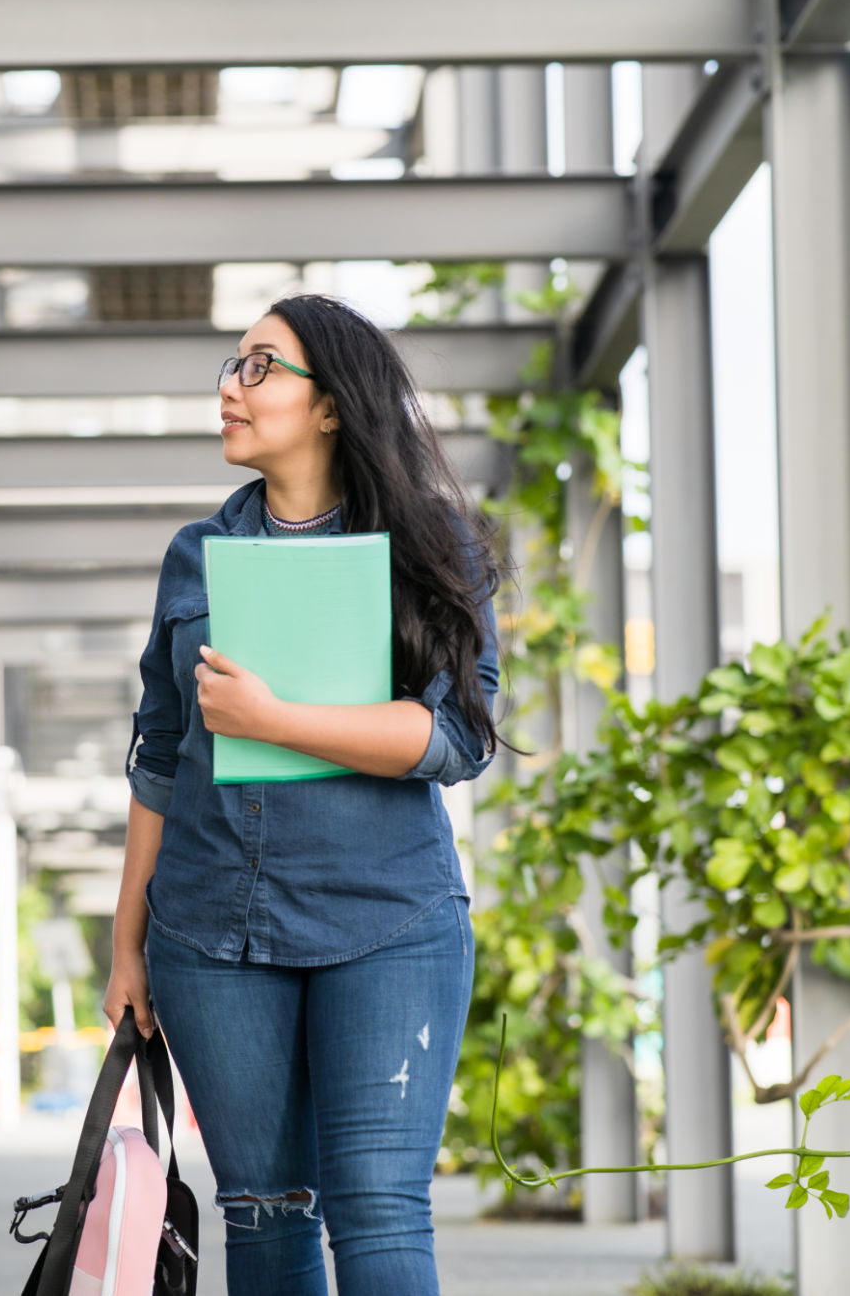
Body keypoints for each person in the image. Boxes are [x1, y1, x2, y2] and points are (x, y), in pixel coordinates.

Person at [103, 293, 501, 1296]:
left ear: (329, 406)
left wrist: (277, 720)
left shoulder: (432, 548)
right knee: (264, 1213)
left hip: (388, 921)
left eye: (258, 368)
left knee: (375, 1205)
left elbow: (454, 739)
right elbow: (157, 754)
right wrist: (126, 943)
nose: (229, 389)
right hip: (207, 932)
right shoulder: (195, 556)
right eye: (231, 366)